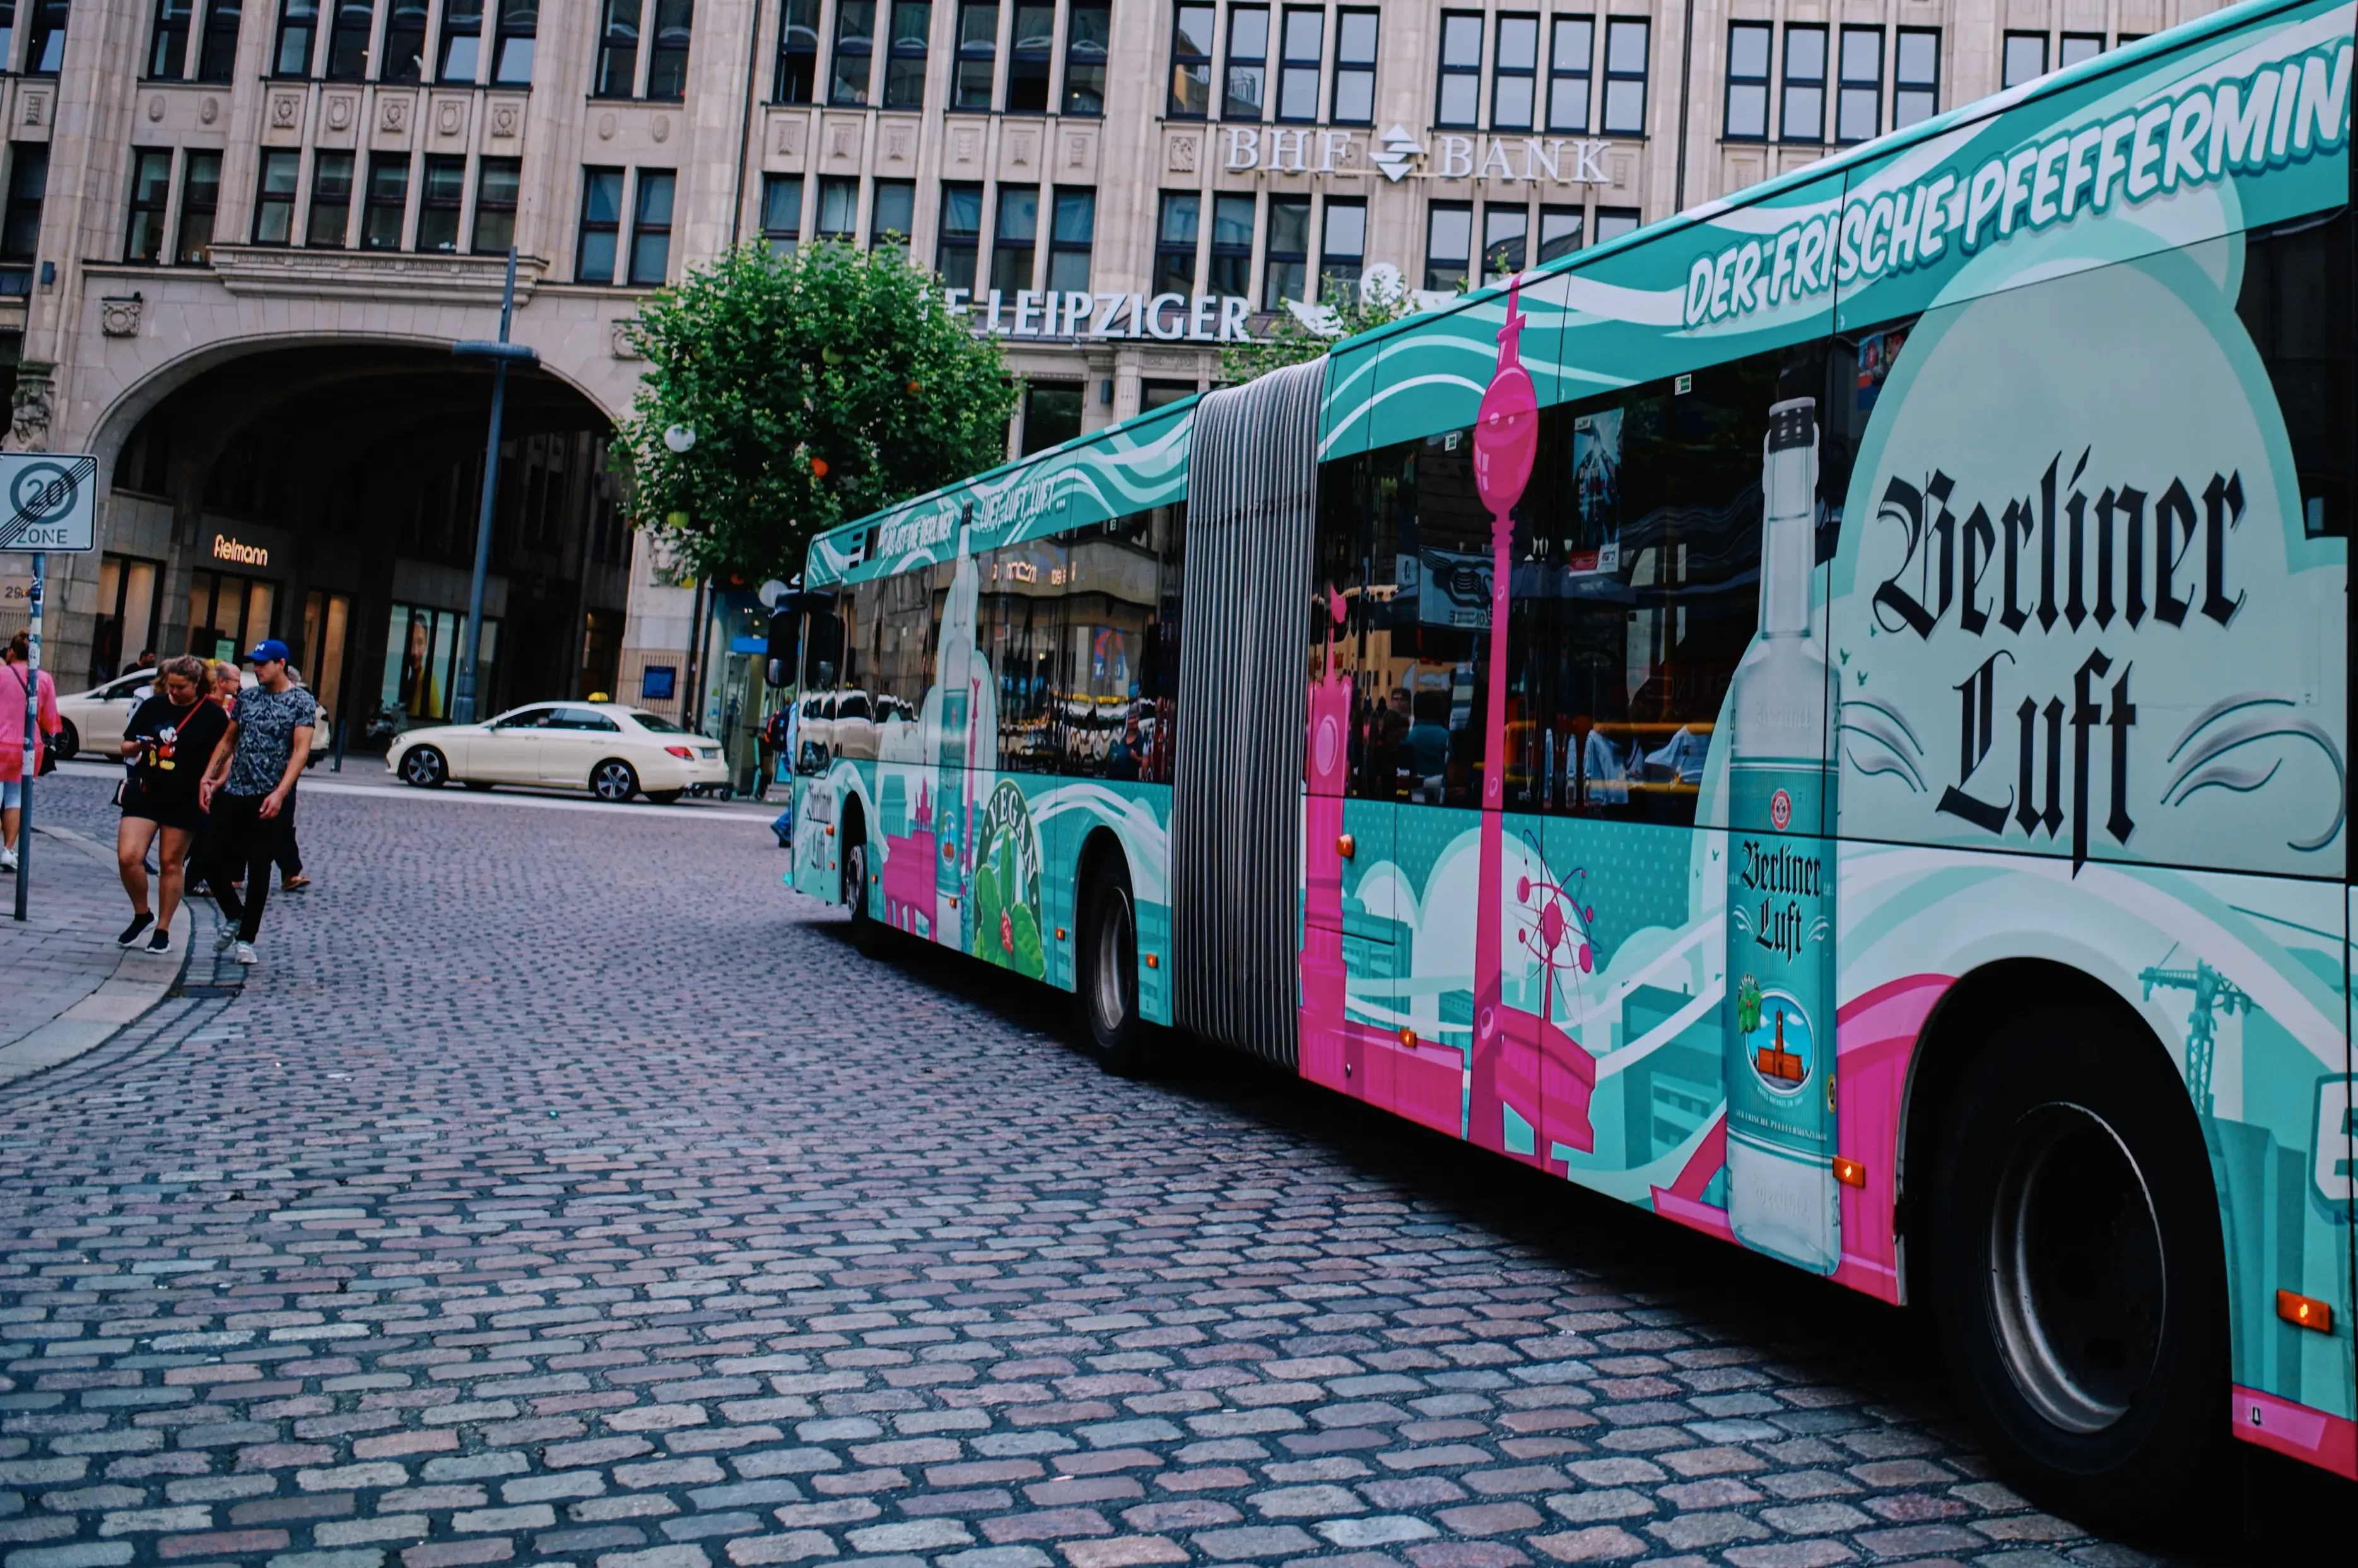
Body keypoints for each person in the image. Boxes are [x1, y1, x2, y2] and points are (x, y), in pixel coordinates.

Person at [196, 640, 315, 965]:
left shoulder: (301, 701)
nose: (257, 669)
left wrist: (280, 792)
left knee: (259, 867)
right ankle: (235, 914)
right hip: (235, 790)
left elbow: (301, 751)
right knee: (206, 858)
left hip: (270, 796)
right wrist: (208, 777)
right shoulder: (247, 698)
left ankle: (247, 939)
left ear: (281, 664)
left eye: (263, 663)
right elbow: (228, 740)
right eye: (255, 664)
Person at [113, 655, 226, 955]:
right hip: (147, 789)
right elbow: (126, 745)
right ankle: (142, 914)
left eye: (180, 687)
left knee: (170, 862)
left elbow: (225, 754)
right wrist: (139, 745)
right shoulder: (154, 706)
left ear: (197, 684)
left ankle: (163, 929)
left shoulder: (213, 716)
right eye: (170, 686)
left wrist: (213, 783)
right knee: (128, 856)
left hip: (184, 798)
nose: (173, 692)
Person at [1, 630, 62, 874]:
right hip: (28, 745)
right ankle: (7, 850)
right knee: (15, 798)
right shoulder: (43, 679)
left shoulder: (2, 674)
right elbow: (50, 719)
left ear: (11, 652)